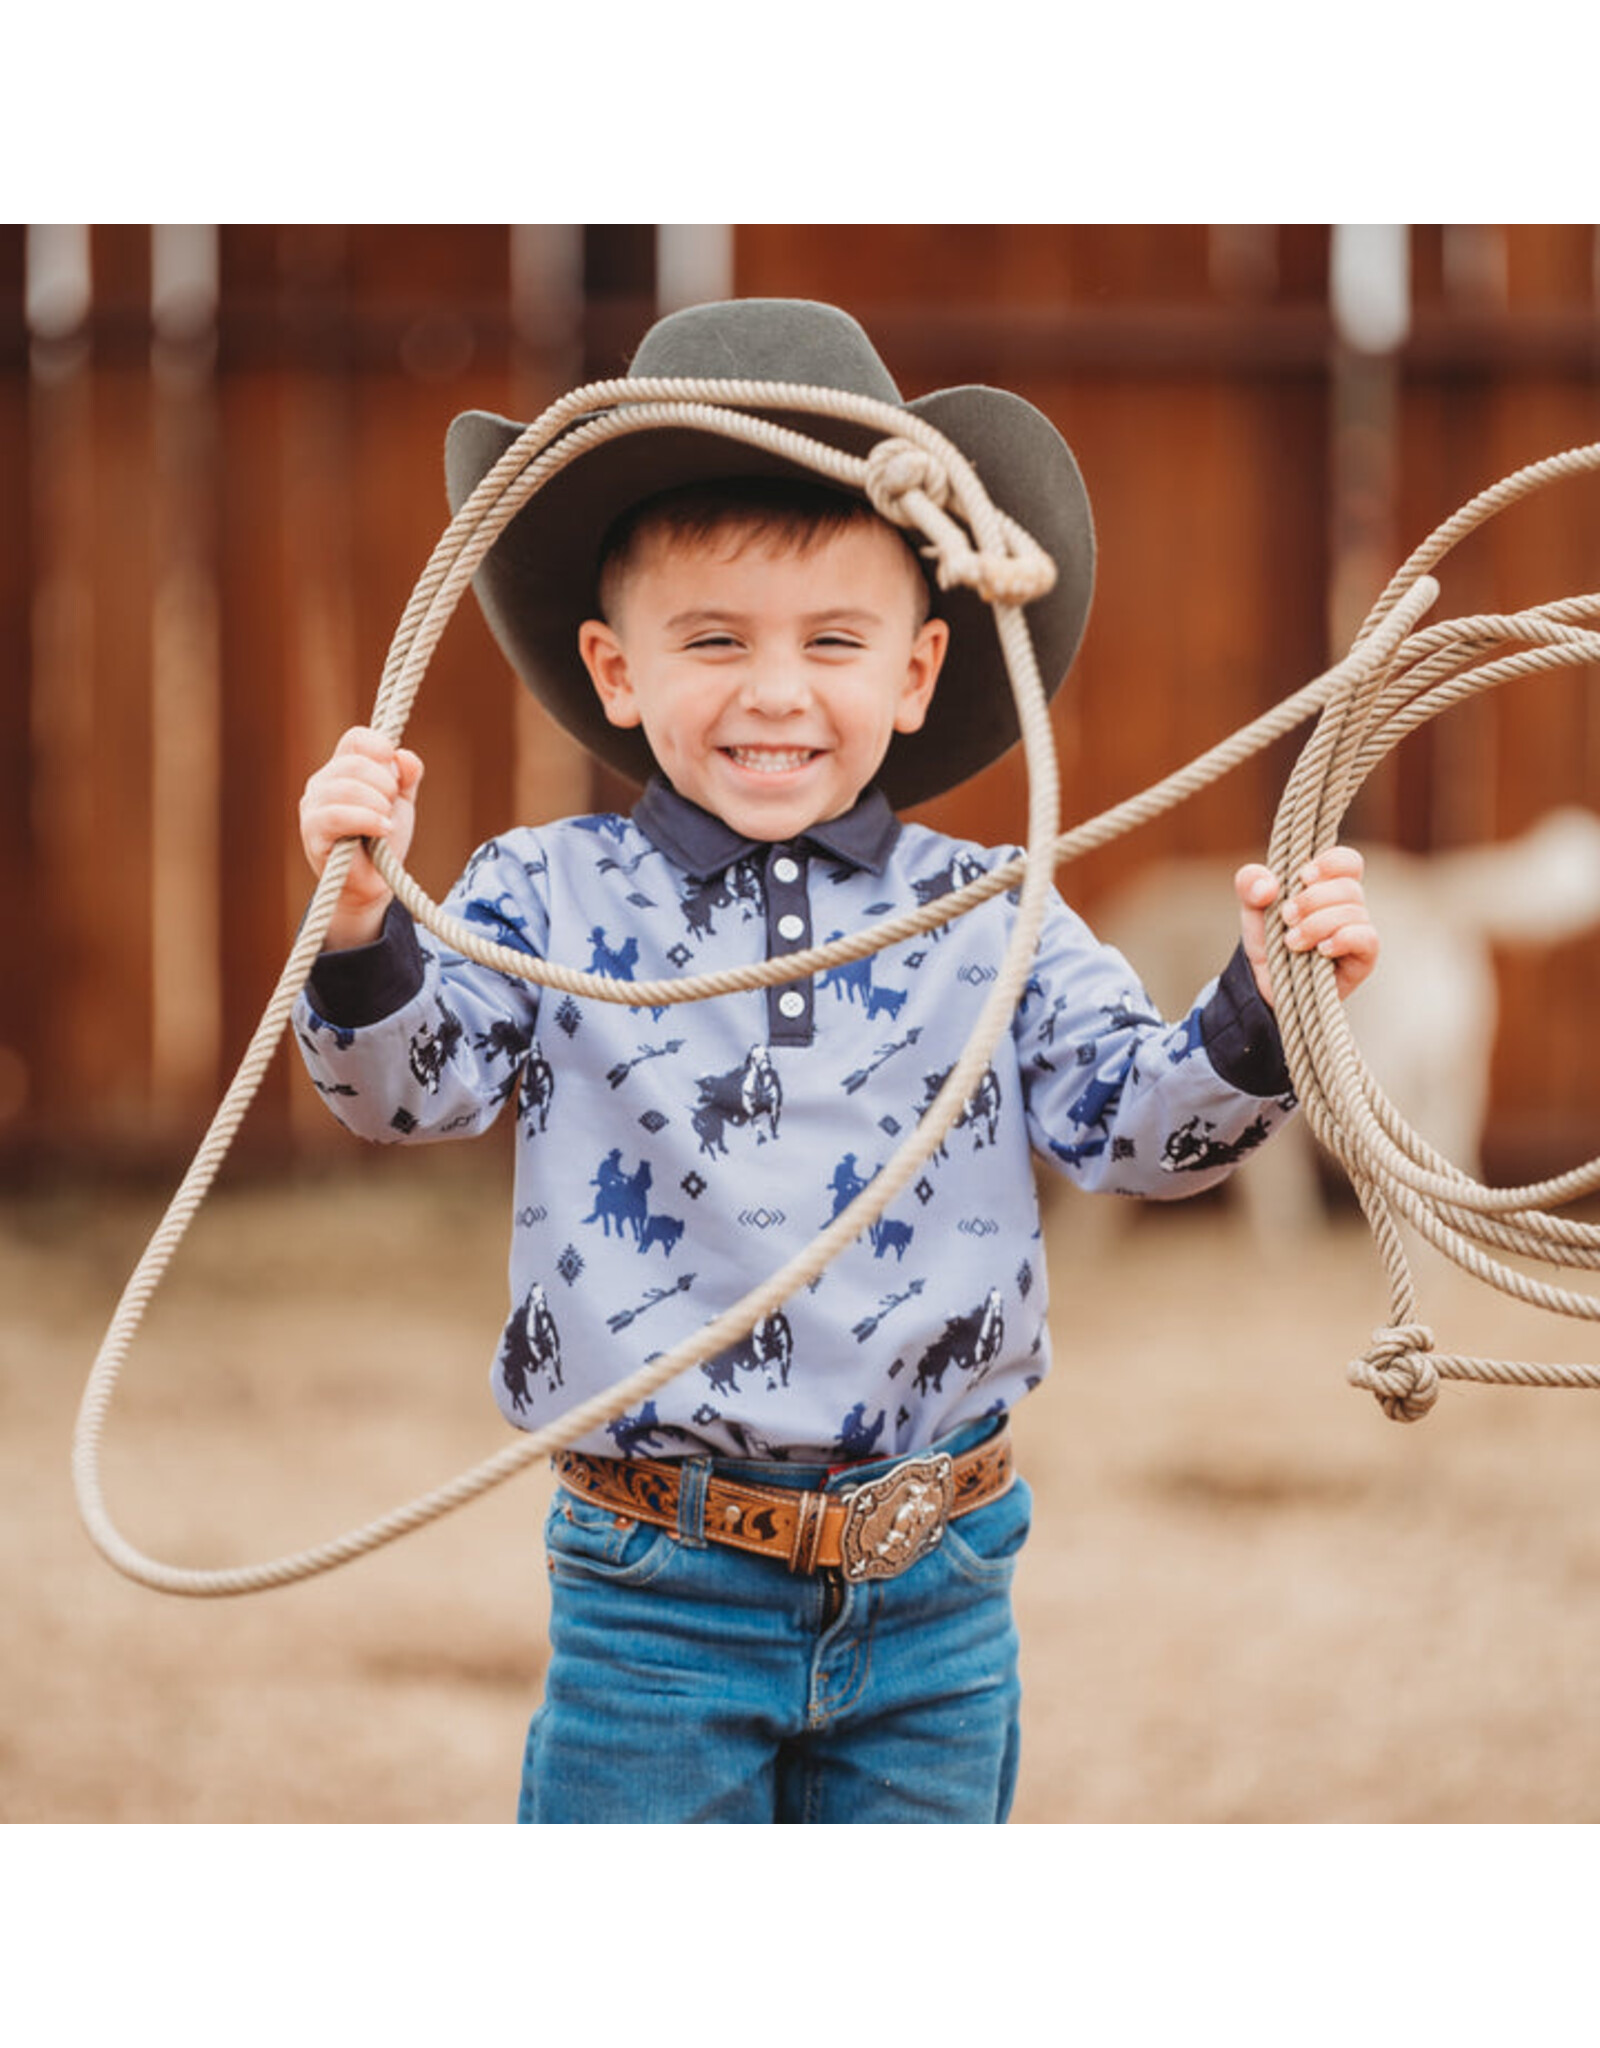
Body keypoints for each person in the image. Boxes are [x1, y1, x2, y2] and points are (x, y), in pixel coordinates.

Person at [294, 298, 1377, 1824]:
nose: (778, 692)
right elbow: (407, 1089)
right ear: (616, 669)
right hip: (656, 1584)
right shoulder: (545, 894)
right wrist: (356, 923)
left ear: (920, 671)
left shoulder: (991, 910)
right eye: (715, 640)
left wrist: (1262, 1003)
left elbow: (1133, 1130)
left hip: (934, 1573)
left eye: (835, 642)